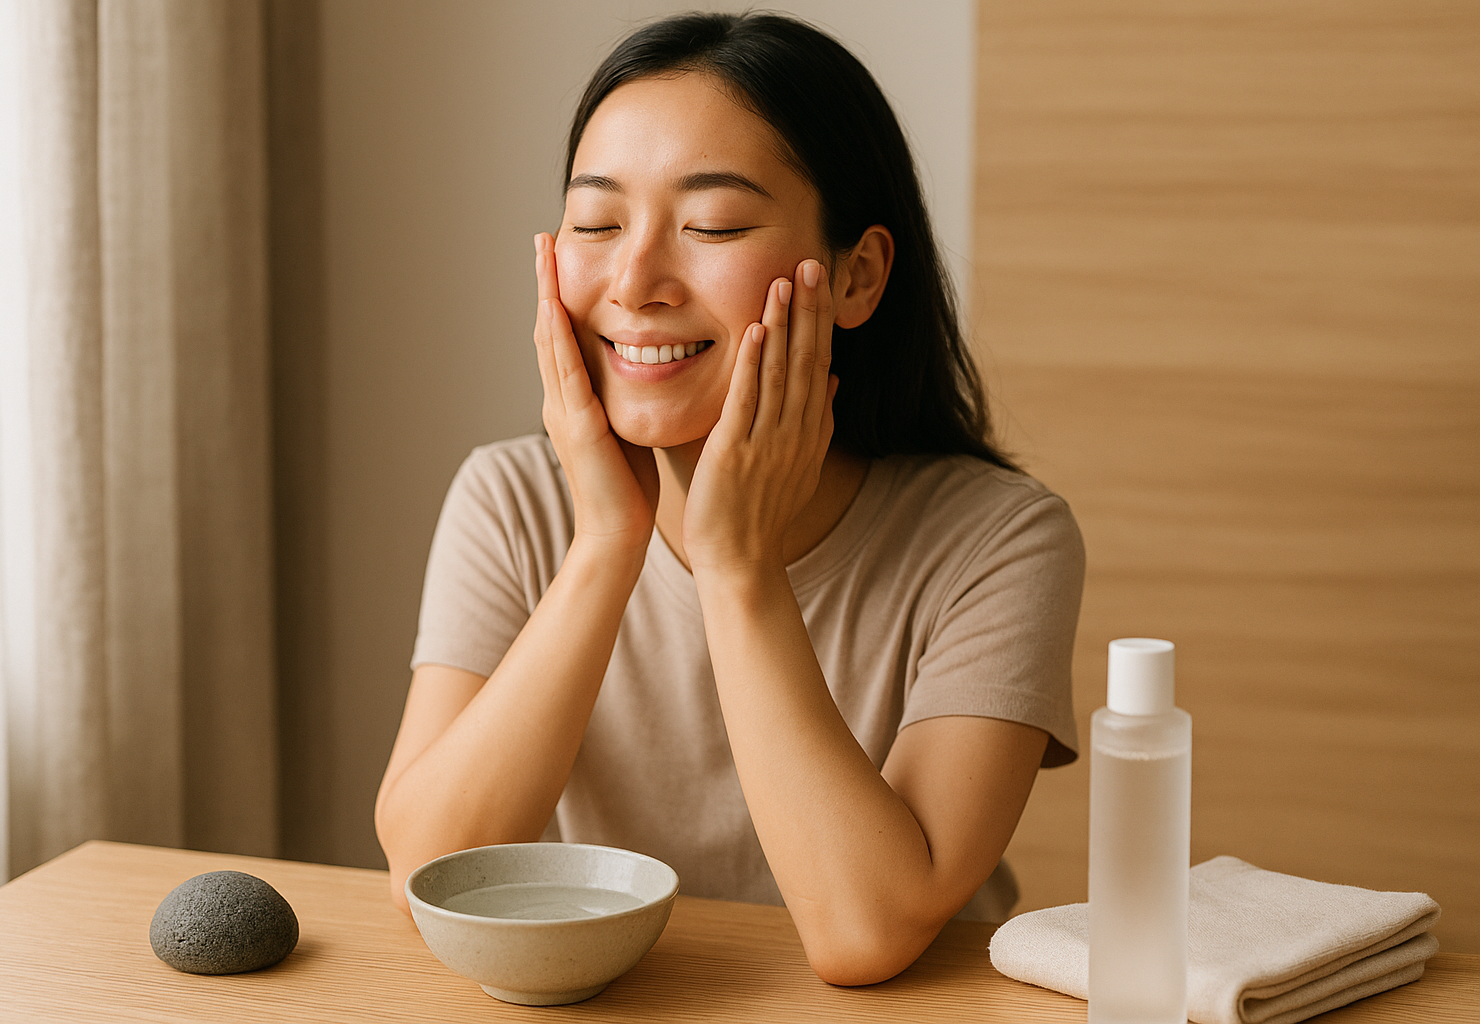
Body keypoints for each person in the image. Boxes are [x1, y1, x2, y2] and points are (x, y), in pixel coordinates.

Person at [374, 11, 1083, 986]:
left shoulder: (998, 540)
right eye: (595, 223)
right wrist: (604, 550)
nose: (635, 280)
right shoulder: (509, 500)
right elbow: (425, 869)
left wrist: (738, 568)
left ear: (858, 273)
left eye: (712, 226)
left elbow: (866, 931)